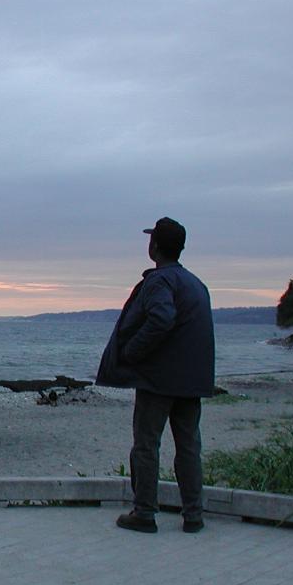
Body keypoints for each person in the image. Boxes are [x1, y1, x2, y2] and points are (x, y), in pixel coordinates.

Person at [96, 217, 215, 534]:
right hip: (192, 381)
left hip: (160, 380)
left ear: (155, 246)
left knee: (147, 445)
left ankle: (145, 513)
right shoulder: (196, 284)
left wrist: (133, 351)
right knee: (189, 447)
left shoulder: (160, 282)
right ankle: (193, 515)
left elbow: (162, 319)